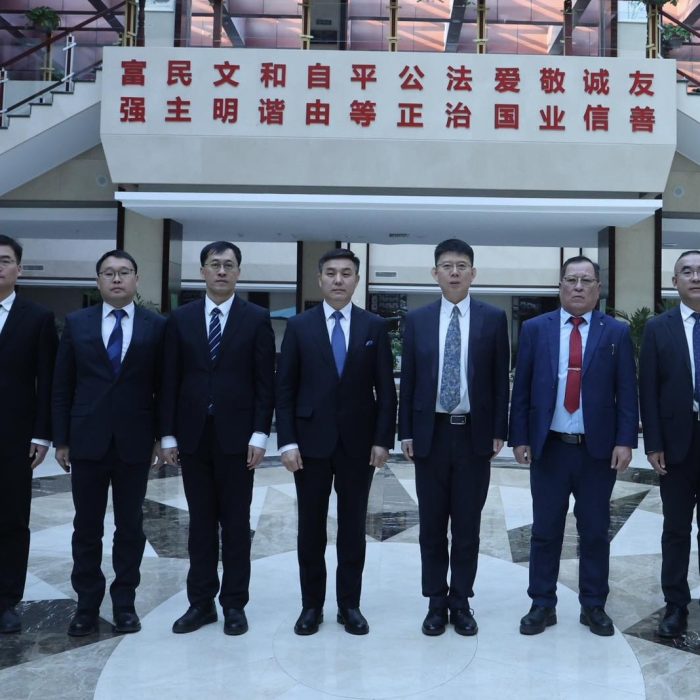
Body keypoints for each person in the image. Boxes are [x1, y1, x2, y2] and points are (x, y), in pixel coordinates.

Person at [509, 255, 638, 637]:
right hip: (550, 448)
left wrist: (625, 440)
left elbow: (626, 392)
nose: (578, 286)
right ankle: (542, 604)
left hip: (597, 451)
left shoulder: (616, 333)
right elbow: (522, 388)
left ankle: (593, 605)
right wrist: (520, 437)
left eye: (586, 280)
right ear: (560, 286)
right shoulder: (536, 329)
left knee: (595, 530)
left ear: (598, 288)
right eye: (571, 279)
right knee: (545, 530)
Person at [276, 248, 396, 636]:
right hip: (309, 445)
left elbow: (386, 390)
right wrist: (287, 442)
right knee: (310, 528)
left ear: (357, 280)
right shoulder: (299, 326)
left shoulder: (374, 326)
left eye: (346, 273)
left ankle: (349, 605)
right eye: (331, 273)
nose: (338, 279)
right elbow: (285, 388)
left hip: (358, 446)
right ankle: (311, 606)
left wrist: (382, 439)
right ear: (320, 279)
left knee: (352, 528)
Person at [160, 241, 275, 636]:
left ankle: (234, 604)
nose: (222, 271)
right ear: (203, 272)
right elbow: (169, 379)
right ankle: (201, 603)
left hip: (238, 440)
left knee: (236, 524)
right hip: (193, 437)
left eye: (229, 265)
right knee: (201, 523)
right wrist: (168, 434)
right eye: (214, 264)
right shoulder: (181, 319)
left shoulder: (256, 318)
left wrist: (260, 433)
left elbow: (265, 382)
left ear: (238, 272)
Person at [398, 239, 510, 637]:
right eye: (447, 266)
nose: (455, 272)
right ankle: (435, 601)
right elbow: (409, 380)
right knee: (431, 526)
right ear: (435, 274)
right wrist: (405, 431)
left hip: (473, 436)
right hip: (430, 434)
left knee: (466, 526)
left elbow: (499, 380)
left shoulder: (493, 319)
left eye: (462, 265)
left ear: (473, 273)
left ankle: (460, 601)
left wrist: (499, 430)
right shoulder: (418, 320)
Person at [52, 250, 165, 637]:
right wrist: (61, 438)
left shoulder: (156, 326)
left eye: (124, 272)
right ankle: (86, 605)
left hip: (135, 440)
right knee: (86, 527)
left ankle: (124, 604)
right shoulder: (77, 323)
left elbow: (164, 386)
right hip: (86, 440)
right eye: (109, 273)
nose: (117, 279)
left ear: (136, 279)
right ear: (98, 280)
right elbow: (62, 385)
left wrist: (160, 436)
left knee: (130, 526)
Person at [639, 249, 700, 638]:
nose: (696, 277)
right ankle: (676, 604)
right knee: (676, 528)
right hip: (678, 445)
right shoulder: (658, 328)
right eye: (687, 271)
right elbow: (648, 389)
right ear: (674, 281)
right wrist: (653, 443)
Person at [0, 235, 57, 634]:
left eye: (5, 260)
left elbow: (48, 381)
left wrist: (42, 434)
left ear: (19, 269)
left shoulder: (37, 317)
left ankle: (6, 600)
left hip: (15, 436)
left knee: (12, 519)